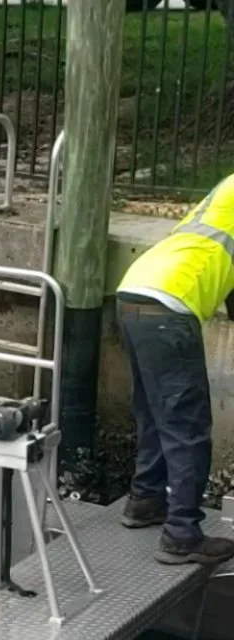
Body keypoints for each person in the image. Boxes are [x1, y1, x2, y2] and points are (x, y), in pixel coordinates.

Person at [117, 174, 234, 566]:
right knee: (187, 426)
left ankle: (146, 500)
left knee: (154, 410)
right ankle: (182, 534)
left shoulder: (224, 196)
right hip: (170, 304)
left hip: (135, 290)